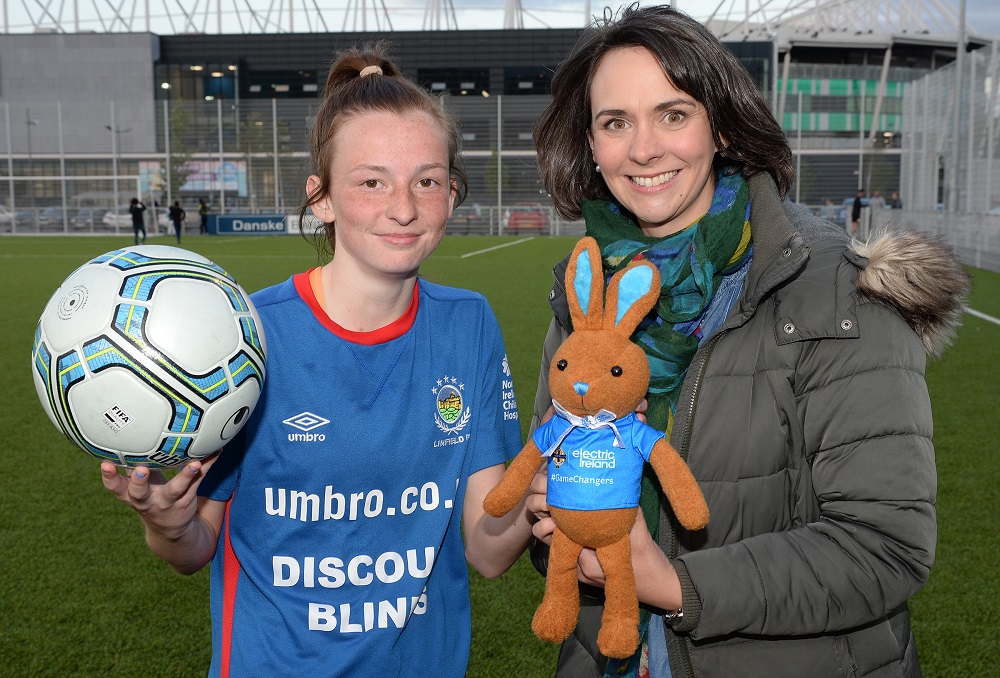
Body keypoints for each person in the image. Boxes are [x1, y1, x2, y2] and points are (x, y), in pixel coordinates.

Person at [525, 5, 969, 678]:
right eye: (616, 122)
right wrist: (551, 512)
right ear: (591, 144)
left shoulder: (836, 291)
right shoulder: (586, 294)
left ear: (723, 128)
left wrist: (670, 583)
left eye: (673, 114)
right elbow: (556, 514)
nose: (643, 148)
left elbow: (885, 547)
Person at [100, 43, 533, 677]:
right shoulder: (247, 337)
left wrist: (548, 476)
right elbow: (196, 547)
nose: (405, 207)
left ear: (451, 191)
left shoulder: (468, 325)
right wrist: (167, 524)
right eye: (371, 181)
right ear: (321, 197)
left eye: (428, 180)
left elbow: (489, 551)